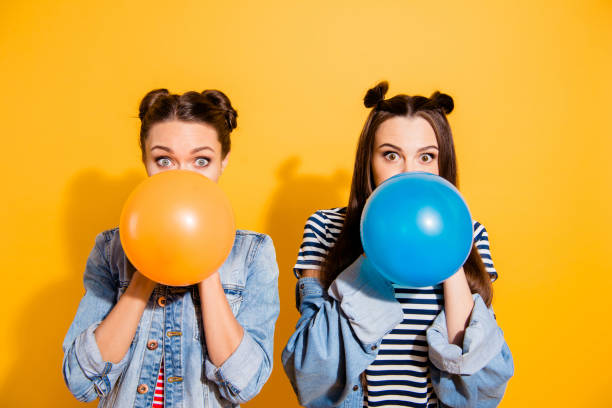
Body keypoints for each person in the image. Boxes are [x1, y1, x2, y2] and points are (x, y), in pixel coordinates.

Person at [282, 81, 514, 407]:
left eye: (426, 157)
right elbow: (310, 374)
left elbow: (480, 392)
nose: (409, 171)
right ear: (370, 163)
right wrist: (376, 240)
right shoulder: (325, 228)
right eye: (391, 155)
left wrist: (448, 249)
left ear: (442, 165)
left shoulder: (470, 235)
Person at [62, 89, 280, 407]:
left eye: (201, 161)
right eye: (164, 160)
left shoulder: (252, 253)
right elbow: (81, 382)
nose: (181, 178)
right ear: (144, 161)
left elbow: (245, 384)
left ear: (223, 163)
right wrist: (145, 266)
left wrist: (206, 253)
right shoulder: (110, 249)